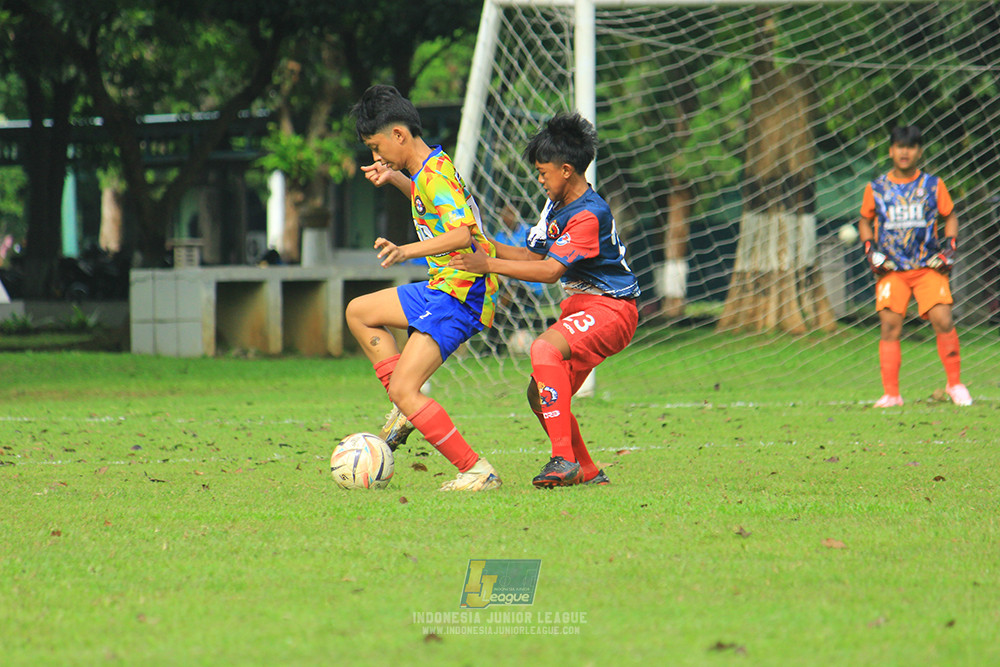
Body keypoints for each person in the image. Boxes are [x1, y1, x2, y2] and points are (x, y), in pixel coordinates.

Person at [449, 112, 641, 488]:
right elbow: (532, 257)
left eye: (543, 171)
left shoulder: (588, 213)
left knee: (543, 350)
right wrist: (482, 244)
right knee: (542, 393)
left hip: (612, 309)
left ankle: (562, 460)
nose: (539, 179)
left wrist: (487, 264)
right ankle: (584, 469)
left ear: (566, 169)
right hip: (583, 308)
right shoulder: (556, 206)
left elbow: (551, 271)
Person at [345, 84, 502, 491]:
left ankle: (476, 470)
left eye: (377, 148)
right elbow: (425, 197)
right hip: (442, 287)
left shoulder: (435, 176)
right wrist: (394, 176)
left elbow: (461, 235)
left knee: (404, 388)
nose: (375, 157)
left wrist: (405, 250)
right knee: (359, 312)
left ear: (399, 135)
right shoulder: (430, 167)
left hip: (462, 292)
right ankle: (403, 411)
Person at [858, 125, 972, 407]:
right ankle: (891, 394)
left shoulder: (934, 185)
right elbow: (864, 220)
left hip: (927, 267)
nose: (904, 152)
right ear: (891, 151)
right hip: (892, 269)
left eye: (910, 147)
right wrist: (870, 249)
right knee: (889, 326)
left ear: (919, 151)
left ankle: (955, 385)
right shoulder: (877, 188)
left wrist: (950, 248)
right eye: (899, 146)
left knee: (943, 319)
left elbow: (950, 216)